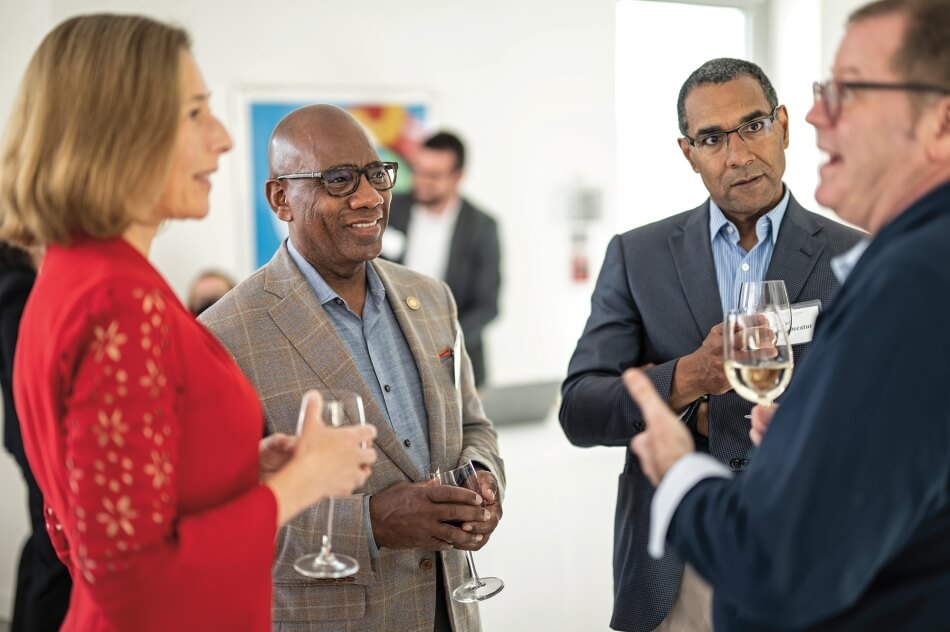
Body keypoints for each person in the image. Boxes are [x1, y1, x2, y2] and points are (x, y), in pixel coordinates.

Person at [0, 15, 377, 632]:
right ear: (119, 130)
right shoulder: (120, 300)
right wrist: (303, 482)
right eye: (196, 113)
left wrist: (241, 472)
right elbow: (132, 581)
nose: (224, 138)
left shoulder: (74, 274)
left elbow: (82, 519)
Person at [624, 0, 950, 629]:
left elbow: (781, 568)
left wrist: (679, 470)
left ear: (940, 123)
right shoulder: (918, 260)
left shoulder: (916, 280)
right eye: (826, 89)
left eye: (852, 91)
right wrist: (810, 439)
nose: (813, 115)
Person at [559, 58, 865, 632]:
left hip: (812, 550)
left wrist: (714, 420)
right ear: (688, 152)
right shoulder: (638, 257)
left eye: (752, 126)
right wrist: (688, 378)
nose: (739, 154)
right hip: (679, 567)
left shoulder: (856, 258)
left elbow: (884, 413)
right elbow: (580, 408)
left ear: (783, 127)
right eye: (712, 138)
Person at [200, 105, 505, 632]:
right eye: (338, 180)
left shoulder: (432, 299)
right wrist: (370, 523)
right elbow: (218, 525)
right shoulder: (225, 335)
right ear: (281, 199)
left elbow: (473, 424)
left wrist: (482, 477)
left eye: (376, 174)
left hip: (451, 612)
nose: (369, 198)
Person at [382, 131, 501, 387]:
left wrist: (443, 341)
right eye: (418, 170)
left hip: (458, 365)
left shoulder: (482, 226)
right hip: (392, 358)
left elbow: (488, 305)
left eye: (433, 175)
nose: (422, 181)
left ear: (458, 177)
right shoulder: (388, 210)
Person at [0, 241, 71, 631]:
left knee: (44, 552)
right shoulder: (18, 286)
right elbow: (24, 384)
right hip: (39, 446)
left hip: (35, 444)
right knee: (50, 561)